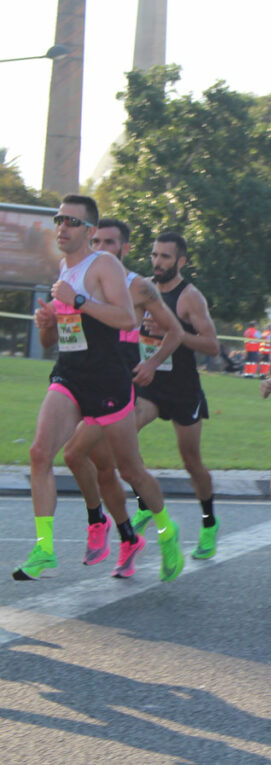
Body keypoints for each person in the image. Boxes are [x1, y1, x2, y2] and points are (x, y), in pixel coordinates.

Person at [17, 195, 183, 583]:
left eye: (72, 222)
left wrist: (76, 300)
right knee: (41, 452)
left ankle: (166, 530)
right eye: (59, 219)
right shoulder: (63, 270)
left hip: (109, 380)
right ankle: (45, 548)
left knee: (130, 470)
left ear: (89, 232)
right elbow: (51, 342)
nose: (62, 227)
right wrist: (46, 321)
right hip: (70, 375)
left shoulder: (103, 266)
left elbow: (125, 317)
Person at [61, 217, 184, 578]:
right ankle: (129, 538)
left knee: (83, 455)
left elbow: (175, 331)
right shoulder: (78, 281)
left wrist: (153, 363)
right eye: (95, 241)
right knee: (105, 470)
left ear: (125, 249)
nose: (100, 250)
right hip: (85, 379)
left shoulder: (138, 287)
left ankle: (165, 531)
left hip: (118, 383)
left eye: (109, 243)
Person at [130, 232, 221, 560]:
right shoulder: (140, 288)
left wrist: (178, 335)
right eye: (154, 255)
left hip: (183, 391)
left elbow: (212, 346)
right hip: (150, 385)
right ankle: (145, 503)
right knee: (123, 435)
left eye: (165, 257)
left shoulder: (189, 297)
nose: (157, 262)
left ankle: (209, 522)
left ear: (181, 261)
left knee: (191, 462)